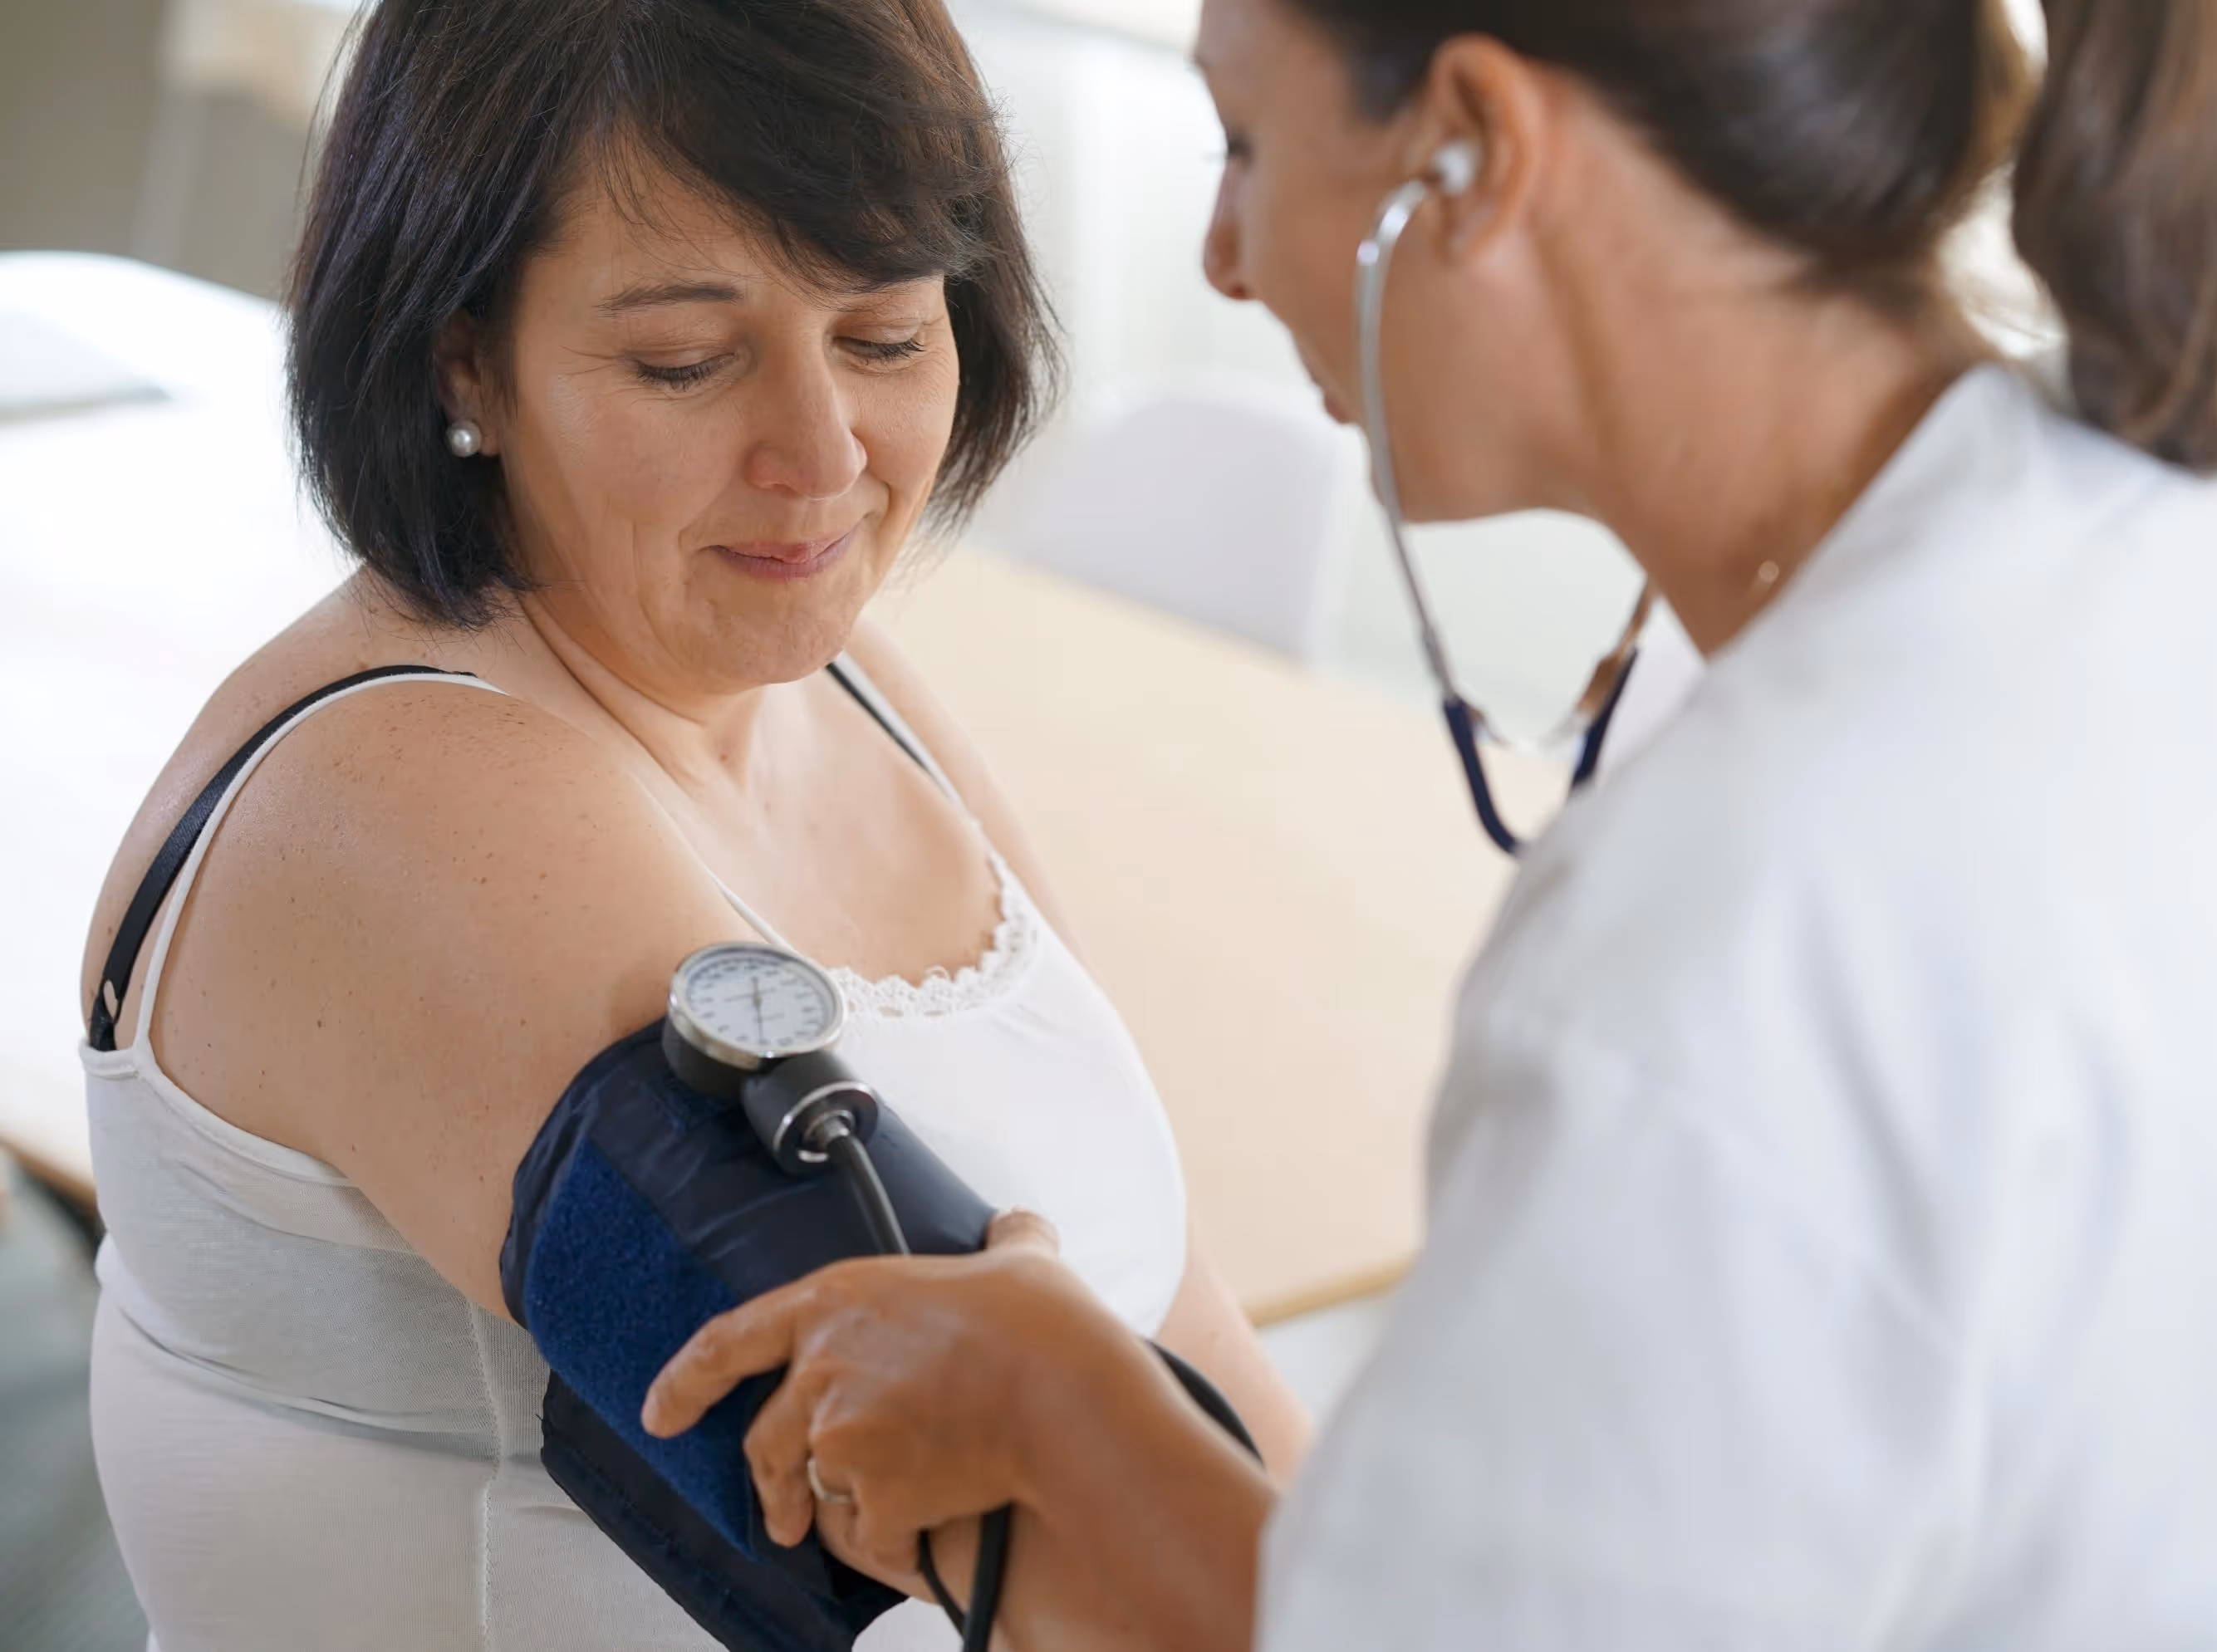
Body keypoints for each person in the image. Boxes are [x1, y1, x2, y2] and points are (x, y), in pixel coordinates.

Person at [642, 0, 2217, 1646]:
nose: (1216, 255)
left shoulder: (1718, 945)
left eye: (1249, 143)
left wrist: (1074, 1421)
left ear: (1473, 148)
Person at [74, 2, 1307, 1647]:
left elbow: (1202, 1356)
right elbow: (1009, 1533)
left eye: (881, 337)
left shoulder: (832, 681)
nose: (820, 459)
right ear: (463, 362)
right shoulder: (407, 811)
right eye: (685, 360)